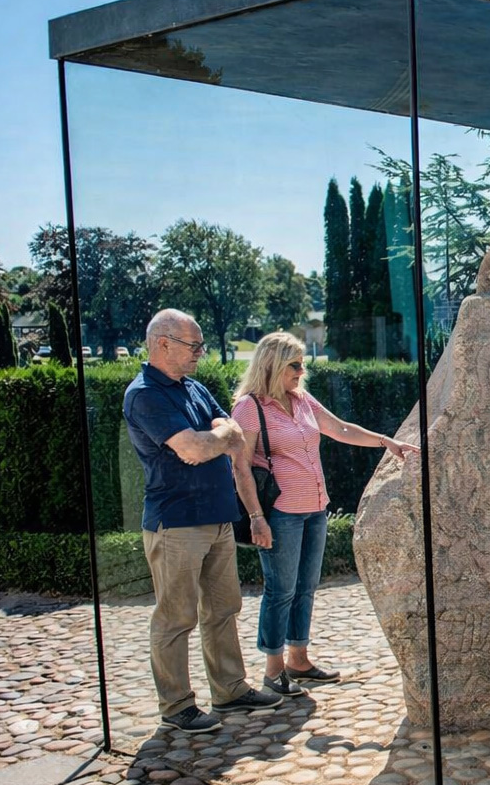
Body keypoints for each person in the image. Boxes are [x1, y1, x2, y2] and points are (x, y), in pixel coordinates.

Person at [232, 331, 419, 697]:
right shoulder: (249, 408)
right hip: (280, 513)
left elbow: (340, 429)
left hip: (316, 509)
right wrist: (256, 517)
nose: (302, 372)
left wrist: (386, 441)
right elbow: (240, 469)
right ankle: (273, 672)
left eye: (303, 365)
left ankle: (298, 660)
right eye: (295, 365)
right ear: (272, 365)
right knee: (280, 590)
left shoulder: (301, 400)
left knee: (305, 588)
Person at [124, 309, 282, 735]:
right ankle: (176, 705)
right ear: (163, 344)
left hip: (217, 517)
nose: (200, 352)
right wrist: (219, 439)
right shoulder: (144, 395)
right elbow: (193, 449)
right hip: (175, 523)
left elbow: (233, 433)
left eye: (199, 345)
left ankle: (230, 689)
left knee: (223, 609)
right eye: (193, 345)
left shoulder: (193, 387)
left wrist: (217, 438)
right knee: (176, 617)